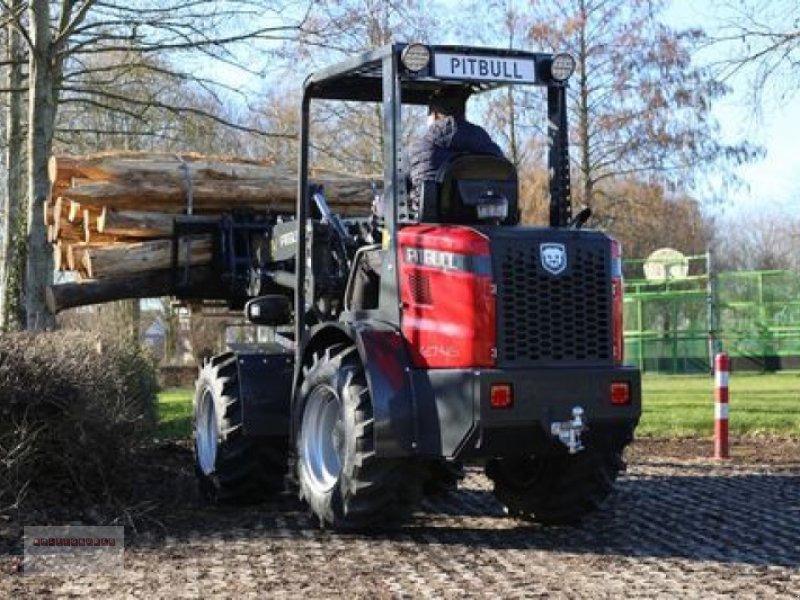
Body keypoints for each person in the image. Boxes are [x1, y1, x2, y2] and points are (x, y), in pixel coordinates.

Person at [408, 86, 505, 214]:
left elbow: (397, 194)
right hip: (488, 223)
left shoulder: (418, 149)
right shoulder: (493, 151)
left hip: (432, 226)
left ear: (434, 115)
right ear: (463, 114)